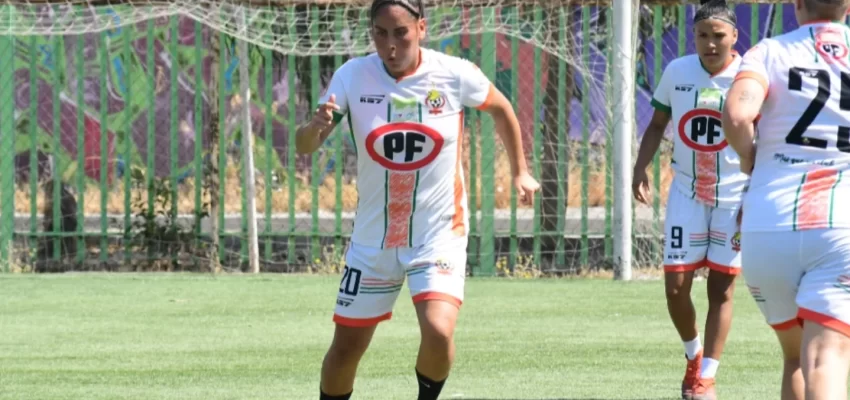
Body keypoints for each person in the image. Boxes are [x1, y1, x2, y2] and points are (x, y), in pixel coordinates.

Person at [295, 0, 540, 399]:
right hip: (374, 239)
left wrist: (520, 171)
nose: (390, 45)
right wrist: (313, 126)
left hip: (438, 233)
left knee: (439, 330)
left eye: (400, 33)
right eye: (380, 34)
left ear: (421, 28)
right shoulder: (352, 76)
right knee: (345, 351)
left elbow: (501, 109)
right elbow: (304, 145)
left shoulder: (454, 74)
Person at [722, 0, 850, 397]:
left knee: (795, 358)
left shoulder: (769, 51)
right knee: (825, 359)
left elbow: (737, 116)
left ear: (797, 4)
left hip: (768, 225)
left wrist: (749, 158)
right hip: (840, 225)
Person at [632, 0, 746, 398]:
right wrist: (640, 167)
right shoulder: (677, 71)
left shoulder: (749, 78)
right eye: (702, 35)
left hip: (734, 196)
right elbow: (657, 124)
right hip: (686, 191)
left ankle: (706, 377)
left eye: (719, 36)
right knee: (676, 287)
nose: (710, 44)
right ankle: (693, 354)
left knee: (722, 288)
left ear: (734, 36)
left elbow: (764, 136)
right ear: (693, 36)